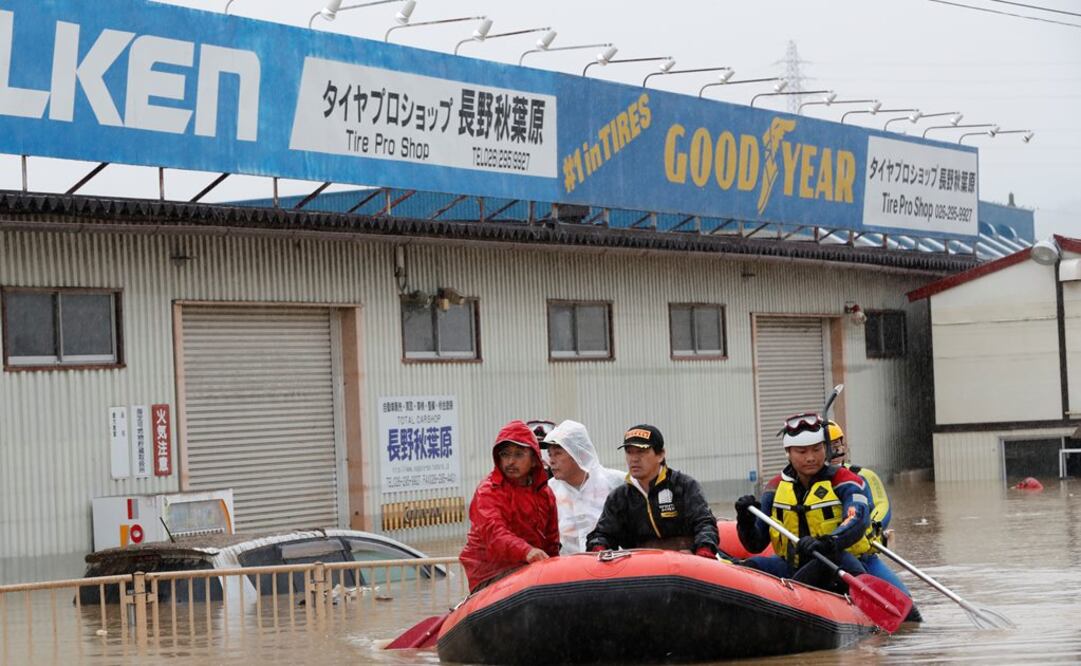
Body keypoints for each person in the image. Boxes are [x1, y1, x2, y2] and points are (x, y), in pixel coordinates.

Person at [734, 413, 872, 592]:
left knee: (829, 560)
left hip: (837, 562)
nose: (810, 458)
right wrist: (745, 520)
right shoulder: (775, 488)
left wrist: (827, 543)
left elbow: (857, 518)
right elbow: (755, 544)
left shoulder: (847, 482)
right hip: (792, 566)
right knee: (752, 565)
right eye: (802, 452)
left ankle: (795, 593)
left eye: (817, 449)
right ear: (788, 453)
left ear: (825, 448)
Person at [829, 421, 922, 621]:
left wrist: (869, 524)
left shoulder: (863, 476)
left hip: (864, 556)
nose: (835, 452)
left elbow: (882, 506)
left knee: (907, 611)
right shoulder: (803, 484)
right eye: (830, 447)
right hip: (827, 558)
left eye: (838, 446)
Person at [586, 424, 720, 558]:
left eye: (641, 451)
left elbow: (705, 524)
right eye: (629, 452)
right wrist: (599, 547)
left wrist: (704, 551)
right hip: (640, 566)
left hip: (687, 562)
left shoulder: (685, 486)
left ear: (660, 454)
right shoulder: (619, 497)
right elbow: (602, 534)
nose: (634, 458)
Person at [459, 420, 561, 592]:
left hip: (530, 571)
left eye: (518, 455)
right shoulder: (488, 491)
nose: (510, 462)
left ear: (534, 460)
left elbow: (552, 541)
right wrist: (526, 551)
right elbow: (494, 532)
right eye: (505, 454)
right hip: (490, 576)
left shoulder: (545, 494)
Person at [542, 420, 625, 554]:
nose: (551, 460)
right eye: (550, 454)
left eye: (558, 453)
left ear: (578, 453)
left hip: (613, 564)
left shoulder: (617, 482)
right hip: (569, 566)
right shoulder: (547, 491)